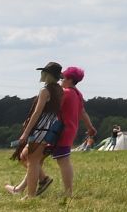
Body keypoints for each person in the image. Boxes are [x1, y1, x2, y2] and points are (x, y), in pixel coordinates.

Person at [6, 62, 65, 197]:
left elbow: (37, 112)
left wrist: (26, 132)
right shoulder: (59, 90)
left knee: (32, 162)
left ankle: (31, 195)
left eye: (43, 72)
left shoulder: (45, 91)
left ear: (48, 75)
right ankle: (40, 181)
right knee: (30, 159)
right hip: (50, 129)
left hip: (40, 129)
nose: (41, 74)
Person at [47, 65, 96, 198]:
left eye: (63, 77)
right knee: (56, 159)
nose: (61, 80)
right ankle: (25, 186)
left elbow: (52, 108)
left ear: (69, 79)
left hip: (61, 131)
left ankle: (68, 192)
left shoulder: (66, 93)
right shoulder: (78, 93)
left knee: (62, 161)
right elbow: (82, 112)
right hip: (71, 129)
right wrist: (90, 127)